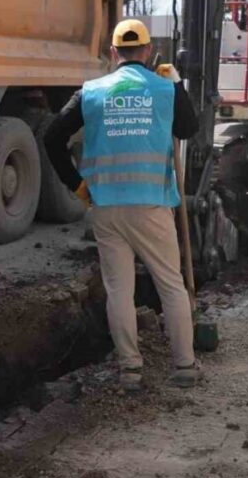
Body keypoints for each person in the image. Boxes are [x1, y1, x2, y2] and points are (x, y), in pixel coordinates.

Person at [44, 19, 201, 391]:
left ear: (113, 53)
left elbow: (52, 137)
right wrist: (177, 85)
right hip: (151, 207)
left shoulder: (91, 92)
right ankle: (184, 366)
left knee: (118, 291)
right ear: (148, 51)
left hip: (107, 208)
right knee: (171, 286)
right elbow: (188, 129)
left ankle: (129, 370)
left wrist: (77, 185)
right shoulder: (164, 89)